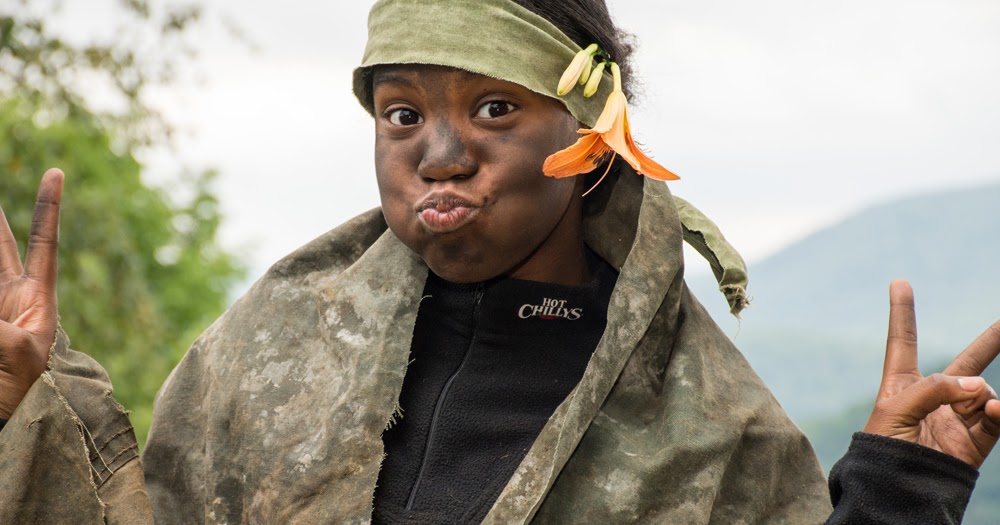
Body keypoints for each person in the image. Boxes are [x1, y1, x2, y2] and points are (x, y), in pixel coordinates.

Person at [1, 0, 999, 523]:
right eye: (402, 112)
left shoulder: (710, 430)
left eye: (493, 108)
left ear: (588, 142)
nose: (437, 151)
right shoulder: (267, 355)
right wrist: (27, 406)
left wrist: (897, 494)